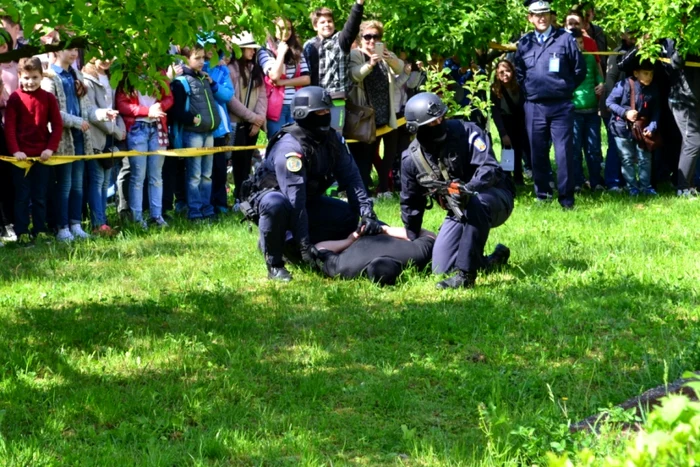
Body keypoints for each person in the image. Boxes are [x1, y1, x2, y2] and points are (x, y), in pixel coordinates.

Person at [241, 86, 379, 282]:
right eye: (319, 112)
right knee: (275, 204)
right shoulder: (290, 148)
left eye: (327, 111)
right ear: (303, 114)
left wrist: (367, 213)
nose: (325, 115)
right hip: (279, 199)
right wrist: (304, 246)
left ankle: (293, 242)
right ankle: (274, 260)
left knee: (348, 217)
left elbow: (352, 179)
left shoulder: (333, 140)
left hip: (307, 200)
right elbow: (295, 201)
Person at [400, 92, 515, 289]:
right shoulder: (411, 159)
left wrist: (469, 189)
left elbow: (490, 168)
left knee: (476, 203)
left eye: (441, 119)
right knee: (441, 268)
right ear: (416, 128)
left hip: (494, 198)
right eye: (432, 123)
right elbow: (411, 202)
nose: (439, 125)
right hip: (458, 210)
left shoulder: (468, 131)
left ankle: (466, 275)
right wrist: (411, 238)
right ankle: (493, 259)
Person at [514, 0, 586, 209]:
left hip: (561, 106)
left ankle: (566, 200)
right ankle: (542, 195)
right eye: (537, 14)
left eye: (545, 13)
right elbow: (519, 71)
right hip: (534, 106)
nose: (541, 18)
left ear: (551, 16)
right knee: (537, 152)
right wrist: (530, 90)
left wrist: (564, 88)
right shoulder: (525, 42)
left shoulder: (565, 39)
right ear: (530, 17)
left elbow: (579, 69)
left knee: (563, 154)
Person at [42, 48, 117, 241]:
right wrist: (76, 122)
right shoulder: (49, 78)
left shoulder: (76, 75)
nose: (73, 53)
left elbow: (87, 109)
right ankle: (62, 227)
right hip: (63, 139)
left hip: (80, 139)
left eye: (75, 49)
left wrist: (102, 114)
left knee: (78, 185)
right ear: (57, 51)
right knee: (65, 184)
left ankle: (75, 224)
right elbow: (54, 112)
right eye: (68, 48)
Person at [3, 57, 63, 246]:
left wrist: (50, 149)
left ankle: (40, 230)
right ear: (19, 76)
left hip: (42, 157)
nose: (31, 82)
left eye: (35, 77)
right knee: (21, 196)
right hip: (20, 158)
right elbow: (9, 127)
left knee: (40, 195)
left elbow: (57, 125)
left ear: (41, 76)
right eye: (27, 78)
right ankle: (21, 232)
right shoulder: (15, 98)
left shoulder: (48, 98)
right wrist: (15, 151)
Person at [348, 20, 404, 193]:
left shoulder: (385, 55)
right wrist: (370, 63)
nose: (372, 41)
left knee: (391, 152)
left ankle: (385, 188)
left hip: (386, 113)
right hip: (365, 116)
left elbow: (400, 69)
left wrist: (390, 58)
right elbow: (354, 75)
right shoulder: (356, 55)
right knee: (365, 157)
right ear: (361, 37)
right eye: (368, 37)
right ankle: (363, 193)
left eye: (376, 37)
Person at [170, 44, 222, 222]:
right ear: (186, 60)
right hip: (193, 133)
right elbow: (176, 110)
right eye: (197, 58)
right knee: (194, 175)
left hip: (208, 133)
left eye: (203, 58)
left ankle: (207, 208)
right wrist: (191, 119)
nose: (202, 62)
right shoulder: (181, 81)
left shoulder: (204, 78)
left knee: (207, 174)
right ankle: (194, 211)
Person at [116, 71, 173, 228]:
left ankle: (157, 216)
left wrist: (160, 106)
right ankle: (137, 219)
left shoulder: (159, 73)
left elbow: (169, 97)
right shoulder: (128, 75)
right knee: (138, 176)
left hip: (158, 126)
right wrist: (147, 111)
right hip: (137, 128)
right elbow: (122, 104)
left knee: (156, 175)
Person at [303, 0, 366, 131]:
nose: (327, 24)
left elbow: (352, 26)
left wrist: (358, 5)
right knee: (316, 136)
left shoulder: (341, 40)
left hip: (336, 100)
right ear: (315, 26)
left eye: (329, 21)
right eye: (322, 22)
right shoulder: (308, 46)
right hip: (315, 101)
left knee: (335, 136)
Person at [82, 58, 126, 235]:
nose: (107, 60)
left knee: (106, 181)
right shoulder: (87, 79)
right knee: (97, 180)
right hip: (96, 135)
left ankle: (104, 222)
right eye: (102, 55)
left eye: (110, 55)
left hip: (111, 136)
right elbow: (91, 113)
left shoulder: (110, 76)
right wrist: (115, 130)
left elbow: (115, 107)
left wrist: (120, 129)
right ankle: (97, 224)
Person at [606, 59, 659, 196]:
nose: (649, 77)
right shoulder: (623, 85)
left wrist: (652, 126)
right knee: (627, 158)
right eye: (645, 73)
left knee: (645, 158)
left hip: (642, 128)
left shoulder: (653, 88)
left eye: (651, 74)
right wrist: (625, 113)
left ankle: (646, 187)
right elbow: (609, 102)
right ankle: (632, 188)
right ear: (636, 73)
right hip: (622, 127)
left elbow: (656, 110)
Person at [315, 226, 435, 285]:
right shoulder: (345, 268)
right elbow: (319, 248)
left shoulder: (416, 255)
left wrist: (350, 239)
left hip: (364, 229)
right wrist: (385, 229)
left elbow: (318, 248)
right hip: (378, 229)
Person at [227, 32, 267, 206]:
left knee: (248, 160)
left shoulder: (255, 70)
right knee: (237, 162)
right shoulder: (231, 70)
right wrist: (253, 118)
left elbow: (262, 97)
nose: (253, 51)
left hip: (253, 125)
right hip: (237, 123)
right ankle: (237, 198)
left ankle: (246, 195)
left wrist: (259, 120)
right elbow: (231, 100)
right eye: (249, 48)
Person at [258, 17, 310, 137]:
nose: (286, 32)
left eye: (289, 28)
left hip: (296, 105)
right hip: (276, 108)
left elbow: (306, 79)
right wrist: (280, 53)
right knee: (277, 143)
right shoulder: (265, 51)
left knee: (297, 143)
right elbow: (274, 75)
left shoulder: (297, 51)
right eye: (281, 28)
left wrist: (282, 83)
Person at [663, 39, 700, 198]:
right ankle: (682, 188)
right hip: (682, 100)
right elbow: (675, 62)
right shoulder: (684, 37)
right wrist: (685, 43)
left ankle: (688, 185)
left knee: (691, 142)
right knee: (693, 140)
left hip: (695, 99)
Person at [202, 43, 235, 215]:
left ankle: (220, 204)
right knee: (201, 171)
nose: (210, 49)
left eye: (214, 46)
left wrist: (213, 84)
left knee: (219, 168)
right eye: (207, 46)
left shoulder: (221, 69)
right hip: (199, 126)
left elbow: (228, 94)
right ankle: (202, 205)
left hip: (219, 127)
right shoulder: (191, 67)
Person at [570, 28, 604, 191]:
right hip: (574, 112)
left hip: (592, 110)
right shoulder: (565, 60)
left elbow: (598, 76)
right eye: (576, 43)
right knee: (575, 149)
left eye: (581, 42)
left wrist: (601, 84)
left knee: (594, 148)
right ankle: (577, 182)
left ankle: (596, 182)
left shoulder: (590, 58)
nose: (579, 46)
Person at [603, 32, 636, 192]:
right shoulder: (616, 53)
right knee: (615, 145)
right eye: (631, 33)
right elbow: (610, 79)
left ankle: (629, 180)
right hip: (616, 107)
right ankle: (613, 181)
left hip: (635, 106)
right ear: (623, 34)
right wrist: (612, 108)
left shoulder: (645, 51)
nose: (634, 36)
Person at [491, 59, 530, 185]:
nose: (505, 74)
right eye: (501, 72)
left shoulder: (519, 86)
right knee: (507, 149)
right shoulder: (495, 90)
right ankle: (506, 178)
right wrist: (503, 133)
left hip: (519, 121)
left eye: (508, 71)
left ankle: (519, 177)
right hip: (505, 121)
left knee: (519, 149)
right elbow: (495, 113)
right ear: (497, 74)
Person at [0, 27, 18, 242]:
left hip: (14, 126)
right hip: (1, 121)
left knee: (11, 179)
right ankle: (3, 223)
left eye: (3, 45)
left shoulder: (15, 66)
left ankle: (11, 222)